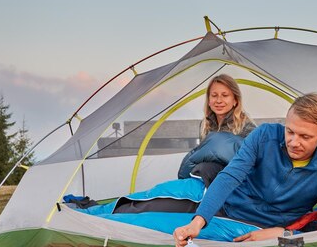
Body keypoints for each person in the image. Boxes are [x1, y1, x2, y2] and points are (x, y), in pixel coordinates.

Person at [173, 93, 317, 247]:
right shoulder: (265, 135)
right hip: (224, 199)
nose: (293, 142)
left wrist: (285, 233)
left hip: (253, 226)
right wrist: (199, 221)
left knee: (153, 225)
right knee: (149, 200)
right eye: (290, 131)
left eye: (305, 137)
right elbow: (230, 175)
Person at [71, 74, 255, 215]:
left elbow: (249, 166)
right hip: (200, 182)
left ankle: (97, 211)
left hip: (222, 189)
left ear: (235, 100)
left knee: (156, 201)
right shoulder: (206, 124)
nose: (219, 100)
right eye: (214, 95)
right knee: (155, 193)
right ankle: (97, 210)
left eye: (225, 95)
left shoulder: (247, 128)